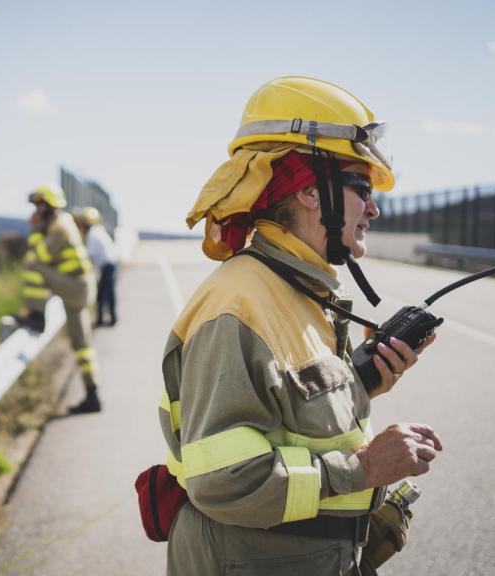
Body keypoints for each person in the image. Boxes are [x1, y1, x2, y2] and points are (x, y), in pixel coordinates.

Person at [157, 76, 442, 575]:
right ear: (311, 191)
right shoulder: (239, 307)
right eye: (363, 188)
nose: (374, 208)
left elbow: (286, 415)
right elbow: (225, 480)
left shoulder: (297, 290)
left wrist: (361, 383)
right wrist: (365, 468)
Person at [19, 185, 102, 414]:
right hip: (79, 287)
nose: (37, 211)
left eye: (40, 206)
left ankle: (36, 315)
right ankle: (92, 393)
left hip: (75, 288)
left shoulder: (59, 227)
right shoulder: (61, 223)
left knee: (32, 266)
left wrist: (35, 229)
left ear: (51, 206)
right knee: (81, 345)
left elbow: (40, 256)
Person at [78, 206, 119, 327]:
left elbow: (89, 254)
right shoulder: (99, 230)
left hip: (107, 266)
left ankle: (101, 319)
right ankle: (112, 318)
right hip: (112, 263)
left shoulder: (92, 234)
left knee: (102, 294)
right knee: (110, 293)